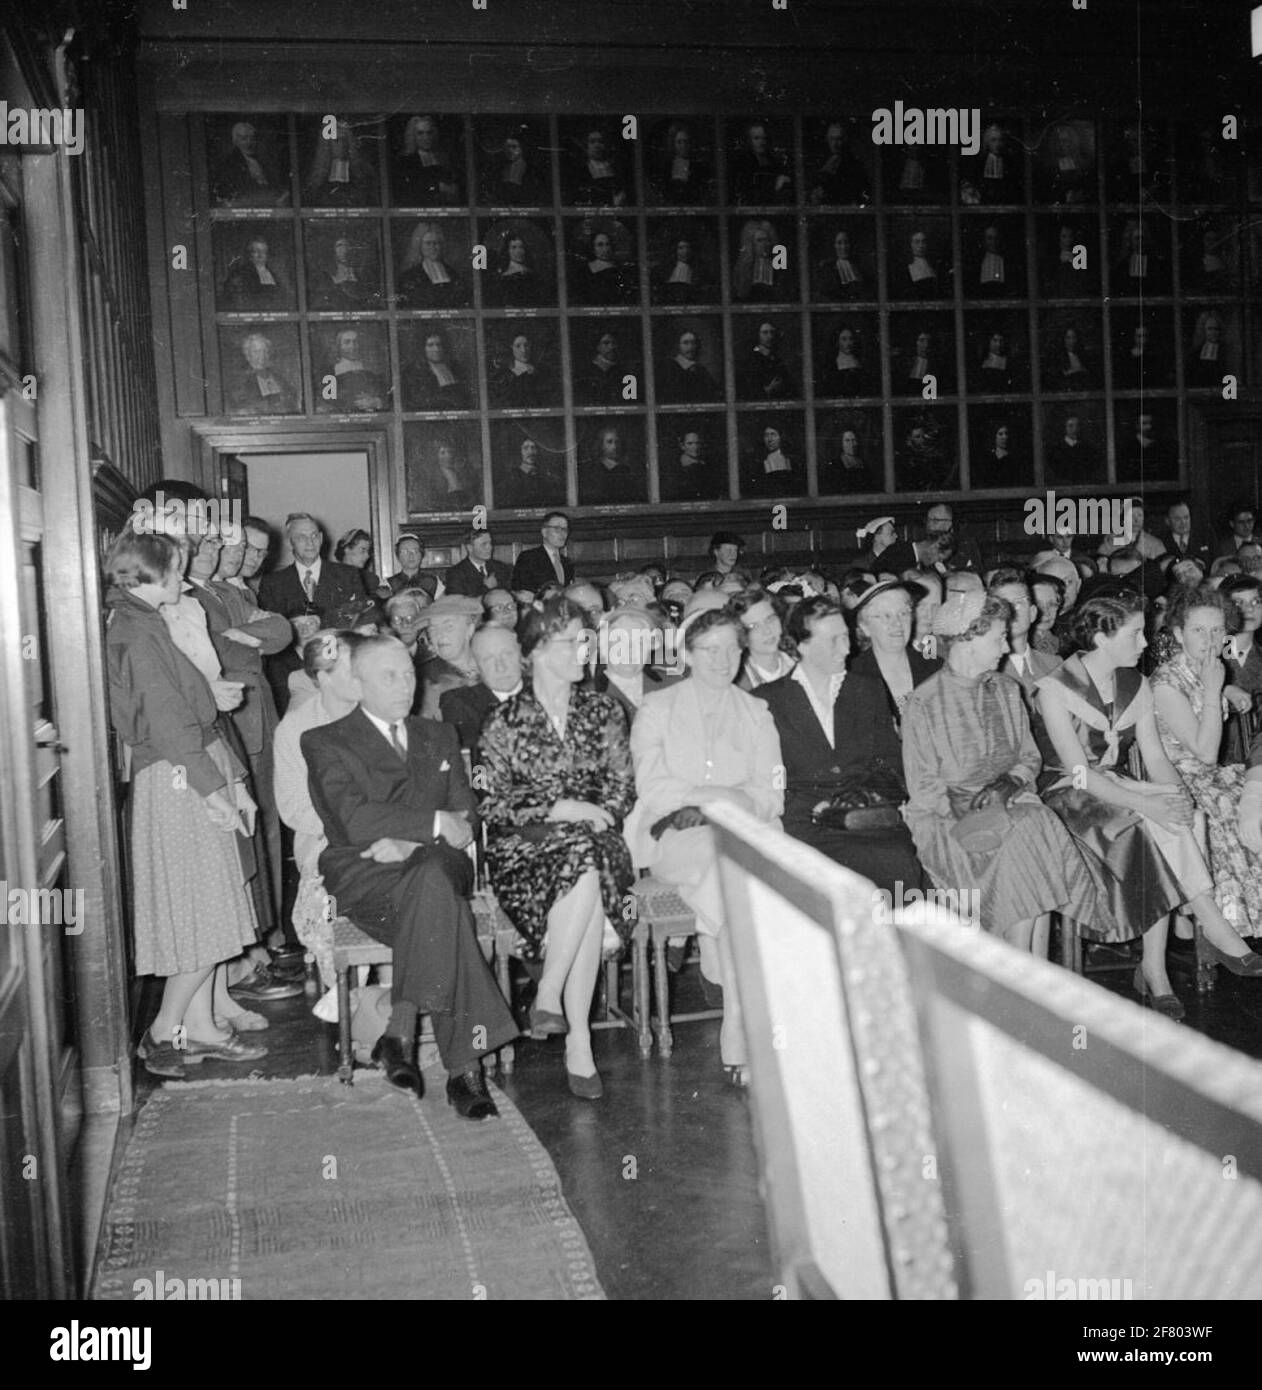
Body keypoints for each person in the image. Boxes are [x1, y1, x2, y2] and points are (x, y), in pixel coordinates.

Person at [304, 637, 516, 1116]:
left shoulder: (436, 735)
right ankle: (464, 1069)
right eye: (389, 676)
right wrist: (433, 826)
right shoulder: (323, 741)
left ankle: (399, 1031)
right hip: (369, 877)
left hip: (436, 864)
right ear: (357, 683)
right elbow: (354, 820)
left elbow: (468, 816)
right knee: (440, 897)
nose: (406, 686)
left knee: (434, 879)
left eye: (409, 674)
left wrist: (420, 841)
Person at [1034, 591, 1260, 1019]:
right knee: (1153, 824)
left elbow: (1155, 759)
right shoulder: (1055, 689)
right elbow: (1080, 773)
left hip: (1118, 784)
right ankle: (1194, 940)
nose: (1144, 644)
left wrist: (1175, 795)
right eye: (1135, 634)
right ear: (1102, 637)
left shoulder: (1132, 683)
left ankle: (1158, 963)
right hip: (1068, 793)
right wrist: (1149, 804)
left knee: (1184, 815)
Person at [105, 530, 267, 1079]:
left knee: (207, 914)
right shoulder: (136, 631)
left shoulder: (145, 621)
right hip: (179, 779)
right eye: (174, 568)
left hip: (187, 770)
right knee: (204, 910)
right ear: (148, 575)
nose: (182, 575)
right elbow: (172, 729)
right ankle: (164, 1032)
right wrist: (215, 792)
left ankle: (198, 1027)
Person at [480, 600, 636, 1098]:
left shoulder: (605, 710)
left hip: (593, 841)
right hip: (524, 851)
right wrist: (557, 808)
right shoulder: (503, 721)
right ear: (539, 651)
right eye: (574, 641)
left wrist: (591, 813)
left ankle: (550, 995)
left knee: (585, 857)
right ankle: (580, 1043)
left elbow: (621, 789)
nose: (585, 651)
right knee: (583, 864)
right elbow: (491, 802)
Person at [627, 606, 785, 1085]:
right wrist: (713, 799)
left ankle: (733, 1007)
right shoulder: (657, 709)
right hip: (676, 834)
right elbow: (652, 788)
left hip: (743, 834)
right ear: (687, 654)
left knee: (732, 868)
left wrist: (726, 802)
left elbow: (772, 791)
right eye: (709, 649)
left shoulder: (757, 713)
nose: (722, 659)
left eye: (732, 648)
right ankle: (739, 1022)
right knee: (729, 870)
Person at [902, 590, 1098, 952]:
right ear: (968, 639)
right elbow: (925, 789)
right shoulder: (924, 703)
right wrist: (973, 810)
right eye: (998, 638)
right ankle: (1026, 970)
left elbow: (1029, 758)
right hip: (949, 821)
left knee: (1033, 827)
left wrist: (1010, 783)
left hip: (1012, 805)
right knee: (1027, 837)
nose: (1006, 647)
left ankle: (1023, 970)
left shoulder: (1007, 690)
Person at [755, 595, 922, 894]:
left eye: (845, 637)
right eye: (833, 640)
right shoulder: (768, 700)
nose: (846, 648)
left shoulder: (866, 690)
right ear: (802, 645)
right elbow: (766, 780)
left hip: (865, 817)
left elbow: (891, 764)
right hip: (805, 825)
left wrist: (866, 794)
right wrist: (815, 807)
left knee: (897, 863)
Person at [1151, 585, 1262, 941]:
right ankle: (1225, 928)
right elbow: (1205, 753)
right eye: (1199, 630)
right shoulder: (1165, 683)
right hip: (1185, 782)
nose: (1210, 639)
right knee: (1232, 807)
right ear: (1179, 633)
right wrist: (1216, 691)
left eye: (1217, 630)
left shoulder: (1211, 669)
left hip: (1218, 776)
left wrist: (1222, 687)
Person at [272, 629, 368, 988]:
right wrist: (353, 827)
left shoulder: (384, 711)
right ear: (323, 678)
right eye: (350, 670)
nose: (362, 677)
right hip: (326, 844)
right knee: (329, 904)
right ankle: (344, 997)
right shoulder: (295, 730)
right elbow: (294, 808)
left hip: (390, 836)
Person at [258, 513, 372, 710]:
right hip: (289, 678)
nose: (309, 543)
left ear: (321, 538)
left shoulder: (347, 576)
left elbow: (359, 625)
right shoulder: (273, 583)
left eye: (313, 536)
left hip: (338, 671)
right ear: (290, 542)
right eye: (301, 537)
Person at [849, 579, 941, 729]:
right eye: (885, 616)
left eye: (903, 613)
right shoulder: (852, 676)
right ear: (865, 626)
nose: (897, 623)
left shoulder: (935, 668)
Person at [439, 621, 524, 756]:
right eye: (489, 659)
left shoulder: (545, 693)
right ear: (475, 664)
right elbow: (475, 766)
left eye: (507, 654)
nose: (500, 667)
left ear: (521, 653)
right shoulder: (460, 703)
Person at [592, 605, 676, 724]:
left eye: (640, 642)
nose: (630, 650)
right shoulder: (589, 694)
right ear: (603, 645)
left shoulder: (672, 685)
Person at [416, 595, 483, 720]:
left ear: (470, 629)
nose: (440, 635)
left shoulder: (490, 664)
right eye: (433, 629)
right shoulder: (425, 679)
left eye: (448, 626)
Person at [731, 587, 795, 689]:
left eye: (770, 619)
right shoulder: (735, 684)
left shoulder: (802, 666)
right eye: (754, 626)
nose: (767, 631)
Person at [396, 221, 468, 309]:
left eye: (436, 243)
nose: (432, 247)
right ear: (419, 246)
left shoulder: (453, 274)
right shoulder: (409, 276)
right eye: (428, 243)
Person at [393, 115, 461, 205]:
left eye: (429, 133)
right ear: (413, 136)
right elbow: (407, 190)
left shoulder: (443, 158)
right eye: (420, 133)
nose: (426, 137)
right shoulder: (405, 161)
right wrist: (437, 187)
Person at [226, 333, 298, 415]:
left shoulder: (279, 378)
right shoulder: (239, 383)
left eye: (265, 351)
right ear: (248, 355)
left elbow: (292, 403)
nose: (262, 356)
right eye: (257, 352)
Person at [403, 327, 470, 411]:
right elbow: (420, 402)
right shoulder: (413, 371)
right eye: (430, 345)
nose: (436, 349)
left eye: (439, 344)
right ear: (422, 348)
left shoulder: (455, 368)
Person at [323, 328, 388, 412]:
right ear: (339, 346)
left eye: (355, 342)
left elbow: (386, 396)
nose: (352, 346)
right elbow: (328, 402)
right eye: (347, 342)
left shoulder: (371, 369)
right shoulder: (330, 372)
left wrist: (376, 402)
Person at [728, 121, 793, 205]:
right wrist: (775, 184)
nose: (761, 142)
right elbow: (744, 190)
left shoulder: (774, 161)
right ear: (748, 141)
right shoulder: (742, 162)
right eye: (756, 138)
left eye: (764, 138)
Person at [807, 123, 869, 206]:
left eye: (839, 139)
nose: (835, 144)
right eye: (832, 139)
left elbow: (856, 194)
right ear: (827, 140)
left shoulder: (854, 166)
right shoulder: (820, 162)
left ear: (845, 140)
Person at [512, 513, 575, 593]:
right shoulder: (528, 558)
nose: (562, 534)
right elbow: (519, 591)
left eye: (565, 529)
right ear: (544, 532)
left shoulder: (567, 563)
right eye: (557, 529)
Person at [652, 121, 712, 204]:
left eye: (686, 141)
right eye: (679, 142)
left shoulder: (698, 166)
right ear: (673, 144)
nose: (683, 146)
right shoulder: (666, 166)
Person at [656, 327, 721, 404]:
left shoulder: (700, 369)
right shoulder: (669, 368)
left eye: (693, 343)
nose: (690, 347)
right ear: (677, 345)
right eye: (686, 343)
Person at [490, 330, 553, 409]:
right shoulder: (503, 373)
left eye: (527, 345)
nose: (524, 350)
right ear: (511, 348)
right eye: (518, 346)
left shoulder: (541, 370)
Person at [221, 237, 287, 311]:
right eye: (256, 251)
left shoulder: (274, 275)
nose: (260, 255)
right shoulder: (240, 273)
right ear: (249, 255)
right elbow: (237, 300)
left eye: (263, 252)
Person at [737, 319, 797, 401]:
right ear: (757, 335)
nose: (770, 336)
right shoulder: (751, 358)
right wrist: (768, 389)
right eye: (765, 333)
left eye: (772, 332)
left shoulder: (776, 357)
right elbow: (748, 388)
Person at [445, 528, 513, 597]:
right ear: (470, 548)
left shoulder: (501, 568)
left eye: (490, 543)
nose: (490, 547)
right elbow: (457, 603)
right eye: (484, 544)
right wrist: (486, 588)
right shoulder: (455, 573)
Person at [574, 228, 634, 306]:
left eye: (607, 244)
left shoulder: (620, 268)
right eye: (600, 245)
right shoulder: (584, 270)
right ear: (593, 248)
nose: (605, 249)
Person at [732, 219, 785, 302]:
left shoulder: (778, 265)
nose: (765, 244)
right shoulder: (743, 266)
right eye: (760, 241)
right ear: (750, 243)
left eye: (767, 240)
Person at [334, 528, 389, 599]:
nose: (367, 556)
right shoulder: (330, 576)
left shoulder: (371, 580)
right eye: (362, 550)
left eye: (368, 552)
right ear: (347, 549)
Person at [815, 227, 867, 300]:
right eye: (839, 243)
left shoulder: (860, 267)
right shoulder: (826, 267)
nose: (843, 247)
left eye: (846, 243)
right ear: (834, 245)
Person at [815, 324, 867, 398]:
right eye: (844, 339)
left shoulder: (858, 361)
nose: (848, 343)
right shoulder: (832, 364)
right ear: (837, 341)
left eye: (851, 339)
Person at [387, 533, 438, 600]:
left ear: (422, 555)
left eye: (415, 551)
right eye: (405, 551)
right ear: (398, 556)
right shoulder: (389, 584)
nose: (411, 555)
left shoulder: (434, 582)